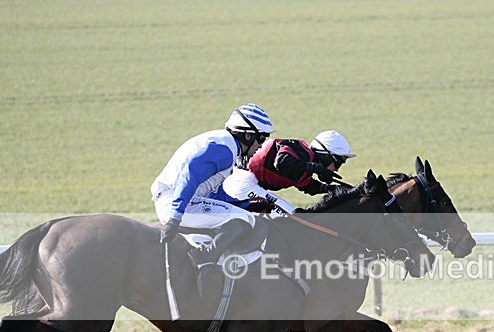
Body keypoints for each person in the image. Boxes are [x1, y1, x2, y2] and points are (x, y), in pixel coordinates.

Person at [150, 103, 274, 275]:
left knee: (243, 214)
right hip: (175, 203)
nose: (261, 145)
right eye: (261, 138)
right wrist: (175, 218)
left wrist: (248, 204)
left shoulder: (225, 144)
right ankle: (205, 257)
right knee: (246, 219)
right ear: (247, 135)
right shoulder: (225, 149)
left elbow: (216, 196)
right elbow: (189, 177)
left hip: (176, 200)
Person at [221, 130, 357, 216]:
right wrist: (317, 168)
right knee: (295, 219)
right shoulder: (300, 150)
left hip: (244, 183)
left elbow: (308, 186)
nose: (337, 169)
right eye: (338, 163)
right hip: (243, 181)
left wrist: (331, 189)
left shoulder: (304, 164)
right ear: (326, 156)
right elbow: (281, 162)